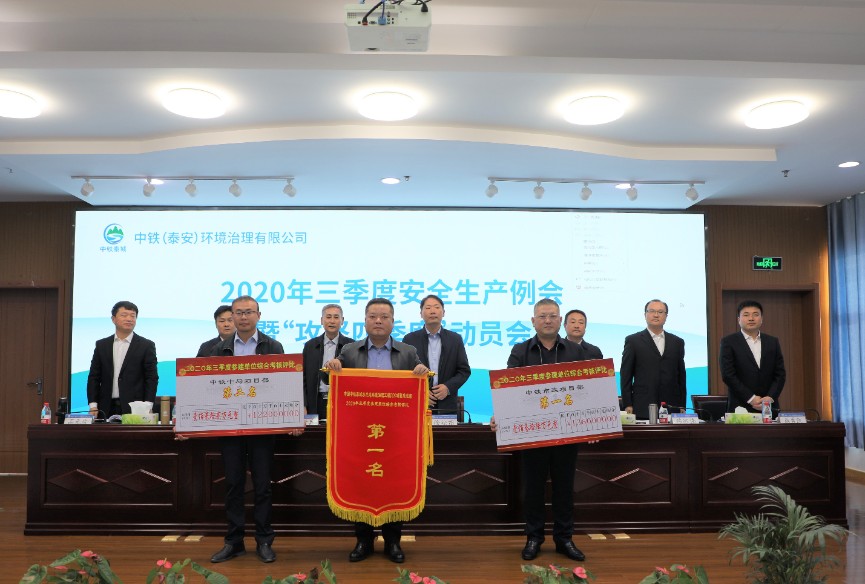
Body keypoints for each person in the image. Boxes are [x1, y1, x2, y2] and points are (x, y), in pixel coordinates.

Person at [325, 297, 429, 565]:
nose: (378, 321)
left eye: (384, 317)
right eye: (373, 316)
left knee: (393, 482)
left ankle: (393, 541)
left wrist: (421, 371)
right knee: (361, 482)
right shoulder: (350, 350)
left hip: (395, 433)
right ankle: (363, 541)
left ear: (393, 322)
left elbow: (420, 385)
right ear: (365, 321)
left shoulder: (408, 352)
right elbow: (329, 377)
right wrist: (333, 368)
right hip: (360, 433)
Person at [490, 298, 587, 562]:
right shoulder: (521, 350)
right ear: (533, 321)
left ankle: (564, 538)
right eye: (542, 316)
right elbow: (508, 388)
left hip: (567, 433)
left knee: (564, 488)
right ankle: (534, 537)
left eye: (553, 316)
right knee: (533, 488)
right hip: (533, 432)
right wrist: (502, 414)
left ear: (560, 320)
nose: (547, 320)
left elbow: (586, 390)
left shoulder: (575, 351)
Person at [209, 295, 298, 565]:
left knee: (262, 486)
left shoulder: (273, 346)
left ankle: (264, 540)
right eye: (238, 312)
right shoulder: (217, 348)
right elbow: (205, 388)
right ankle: (234, 541)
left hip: (263, 427)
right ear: (232, 316)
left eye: (249, 312)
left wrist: (293, 417)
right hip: (229, 427)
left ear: (259, 315)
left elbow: (284, 384)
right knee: (233, 485)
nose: (243, 317)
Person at [86, 300, 158, 418]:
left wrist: (148, 405)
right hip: (105, 407)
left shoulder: (146, 345)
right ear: (113, 319)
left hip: (135, 408)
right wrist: (93, 405)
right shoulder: (102, 345)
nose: (129, 319)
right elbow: (94, 376)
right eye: (124, 315)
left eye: (132, 316)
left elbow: (151, 378)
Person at [402, 294, 471, 416]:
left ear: (443, 312)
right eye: (428, 308)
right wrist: (420, 392)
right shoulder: (409, 339)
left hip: (447, 405)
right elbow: (403, 372)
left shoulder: (455, 339)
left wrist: (448, 387)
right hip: (417, 405)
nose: (432, 311)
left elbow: (464, 371)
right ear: (421, 314)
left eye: (437, 307)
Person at [620, 299, 687, 419]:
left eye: (660, 312)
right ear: (645, 314)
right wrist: (628, 403)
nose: (656, 315)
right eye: (652, 311)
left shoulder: (677, 342)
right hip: (642, 404)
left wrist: (682, 404)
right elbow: (626, 375)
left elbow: (681, 376)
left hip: (671, 405)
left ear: (666, 316)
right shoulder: (633, 341)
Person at [720, 300, 786, 414]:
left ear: (761, 319)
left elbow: (780, 374)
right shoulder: (729, 342)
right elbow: (728, 375)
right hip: (740, 407)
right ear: (739, 319)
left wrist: (770, 398)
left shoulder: (772, 342)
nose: (751, 318)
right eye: (746, 315)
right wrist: (751, 398)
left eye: (755, 314)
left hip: (769, 407)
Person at [301, 304, 354, 419]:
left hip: (341, 403)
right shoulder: (310, 346)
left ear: (342, 320)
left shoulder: (351, 346)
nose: (332, 321)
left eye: (336, 317)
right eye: (328, 317)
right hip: (315, 402)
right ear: (321, 320)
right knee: (313, 430)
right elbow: (302, 378)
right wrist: (303, 405)